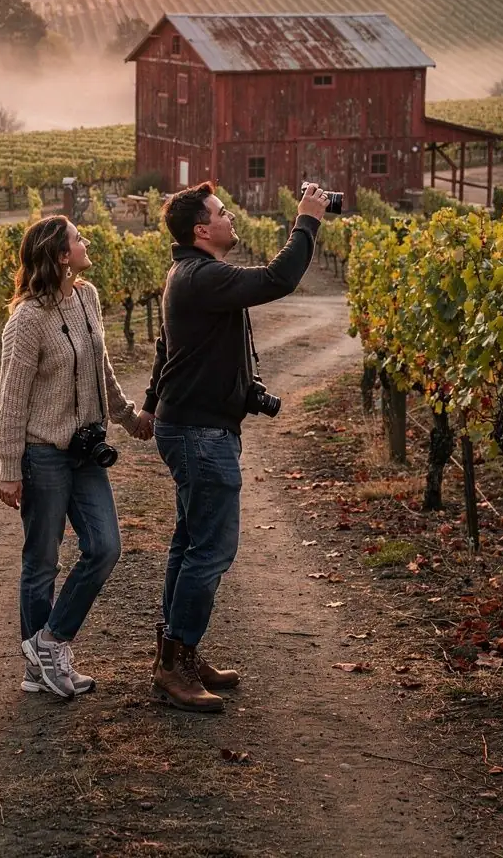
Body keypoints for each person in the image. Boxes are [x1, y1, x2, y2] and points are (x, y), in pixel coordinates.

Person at [139, 181, 328, 712]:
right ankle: (174, 665)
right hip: (200, 433)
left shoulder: (191, 274)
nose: (230, 216)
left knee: (189, 542)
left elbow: (165, 347)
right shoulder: (202, 275)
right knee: (211, 549)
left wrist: (154, 403)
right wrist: (306, 220)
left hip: (193, 426)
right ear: (203, 230)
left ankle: (177, 653)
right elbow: (277, 278)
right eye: (222, 212)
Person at [0, 214, 151, 700]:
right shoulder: (27, 320)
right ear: (60, 255)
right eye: (77, 239)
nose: (86, 243)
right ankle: (40, 669)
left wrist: (128, 417)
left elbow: (100, 366)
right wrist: (8, 469)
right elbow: (11, 399)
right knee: (42, 561)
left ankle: (47, 641)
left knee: (105, 547)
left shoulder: (87, 297)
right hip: (43, 455)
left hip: (86, 450)